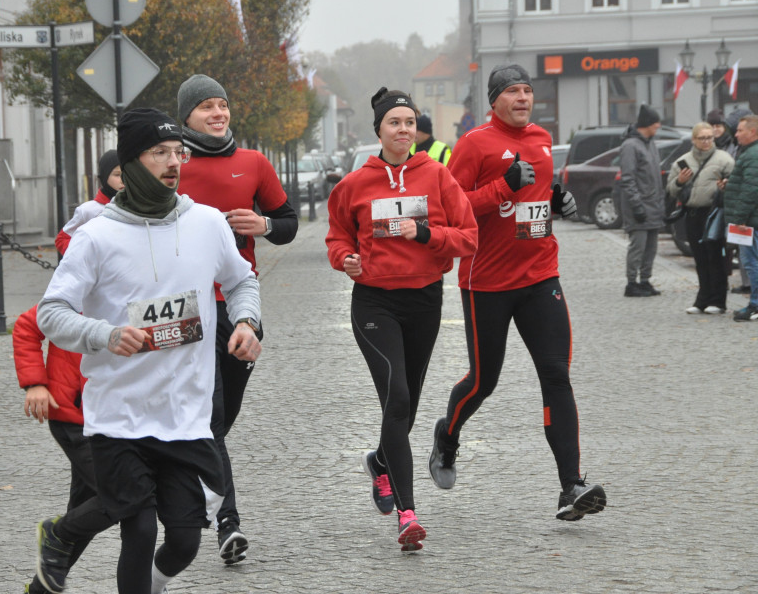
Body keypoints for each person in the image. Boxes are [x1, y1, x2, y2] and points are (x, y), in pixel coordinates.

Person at [33, 108, 261, 594]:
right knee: (138, 531)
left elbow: (242, 280)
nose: (174, 162)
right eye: (160, 153)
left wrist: (246, 320)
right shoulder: (95, 235)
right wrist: (106, 334)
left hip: (185, 413)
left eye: (178, 152)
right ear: (133, 161)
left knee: (183, 542)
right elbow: (52, 313)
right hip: (119, 415)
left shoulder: (205, 223)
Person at [426, 63, 606, 523]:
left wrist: (556, 200)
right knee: (484, 382)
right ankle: (447, 436)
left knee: (556, 376)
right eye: (513, 91)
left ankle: (571, 486)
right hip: (486, 282)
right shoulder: (473, 144)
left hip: (541, 274)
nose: (523, 98)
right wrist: (502, 187)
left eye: (528, 90)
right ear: (494, 101)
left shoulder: (544, 140)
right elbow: (454, 207)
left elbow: (536, 195)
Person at [326, 87, 477, 551]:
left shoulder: (436, 175)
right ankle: (408, 515)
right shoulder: (353, 185)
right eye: (395, 122)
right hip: (374, 304)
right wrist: (346, 258)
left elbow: (468, 238)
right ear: (379, 129)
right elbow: (336, 240)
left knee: (405, 408)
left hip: (425, 301)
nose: (403, 130)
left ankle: (379, 462)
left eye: (410, 123)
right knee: (397, 398)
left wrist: (426, 232)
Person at [175, 73, 298, 564]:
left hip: (241, 307)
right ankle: (228, 522)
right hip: (189, 307)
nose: (217, 113)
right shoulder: (171, 164)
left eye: (222, 104)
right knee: (213, 417)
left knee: (220, 421)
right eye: (206, 106)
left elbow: (288, 224)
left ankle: (198, 481)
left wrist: (263, 224)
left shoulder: (252, 163)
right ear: (186, 115)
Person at [14, 302, 103, 594]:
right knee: (118, 497)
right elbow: (27, 326)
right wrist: (35, 383)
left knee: (88, 508)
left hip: (116, 418)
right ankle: (57, 532)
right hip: (74, 417)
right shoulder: (76, 287)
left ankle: (41, 587)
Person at [666, 122, 735, 314]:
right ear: (694, 139)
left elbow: (735, 184)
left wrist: (725, 186)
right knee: (700, 258)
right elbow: (671, 189)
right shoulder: (683, 161)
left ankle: (718, 300)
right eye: (702, 138)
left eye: (710, 137)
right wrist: (680, 181)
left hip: (713, 214)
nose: (706, 141)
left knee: (715, 257)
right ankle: (702, 299)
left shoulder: (724, 159)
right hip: (693, 214)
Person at [619, 104, 666, 297]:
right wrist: (637, 206)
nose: (658, 126)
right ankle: (632, 283)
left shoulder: (650, 143)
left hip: (653, 205)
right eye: (656, 123)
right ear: (647, 124)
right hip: (638, 207)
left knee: (651, 247)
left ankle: (645, 280)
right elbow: (628, 179)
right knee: (638, 247)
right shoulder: (630, 146)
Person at [54, 149, 122, 256]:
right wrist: (83, 257)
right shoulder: (89, 210)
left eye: (128, 174)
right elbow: (62, 239)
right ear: (104, 177)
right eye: (117, 175)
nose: (124, 179)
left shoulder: (139, 207)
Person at [724, 115, 758, 322]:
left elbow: (750, 190)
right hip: (751, 219)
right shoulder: (750, 153)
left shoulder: (753, 155)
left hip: (750, 222)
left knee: (751, 262)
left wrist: (738, 218)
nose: (735, 134)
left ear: (753, 132)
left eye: (740, 130)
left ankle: (755, 304)